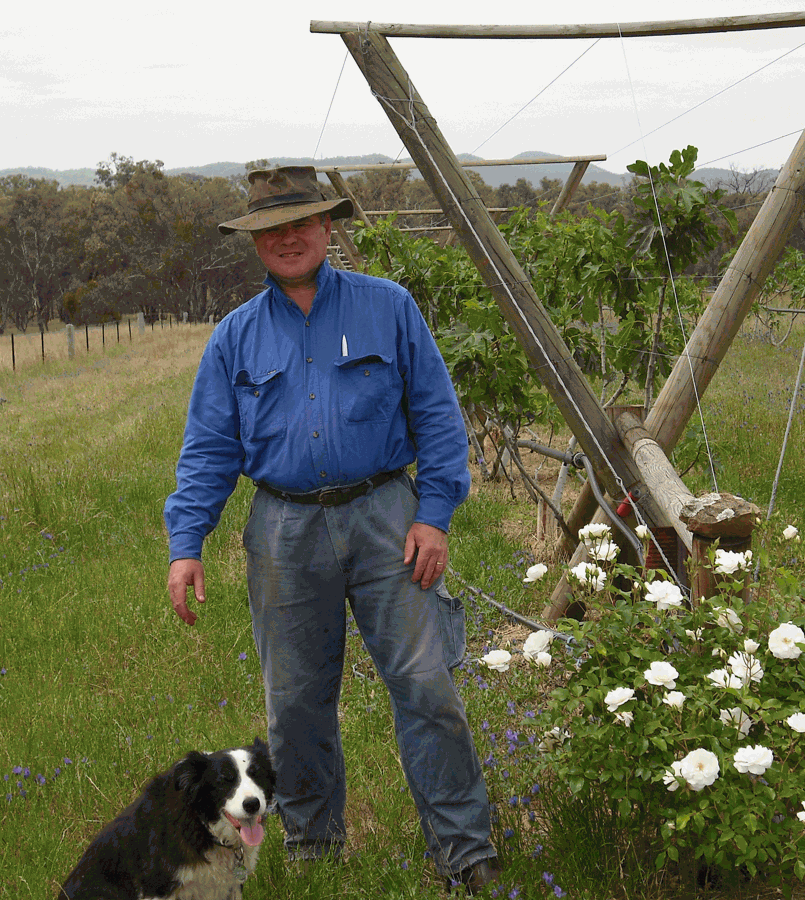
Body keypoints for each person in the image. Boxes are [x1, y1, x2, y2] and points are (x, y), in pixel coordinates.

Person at [164, 165, 500, 894]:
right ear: (255, 241)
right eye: (272, 229)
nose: (289, 238)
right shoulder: (235, 339)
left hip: (388, 518)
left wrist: (434, 516)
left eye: (303, 223)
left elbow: (440, 419)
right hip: (283, 528)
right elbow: (210, 448)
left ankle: (464, 851)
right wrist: (186, 544)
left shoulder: (390, 308)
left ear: (328, 228)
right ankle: (315, 848)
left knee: (425, 686)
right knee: (294, 704)